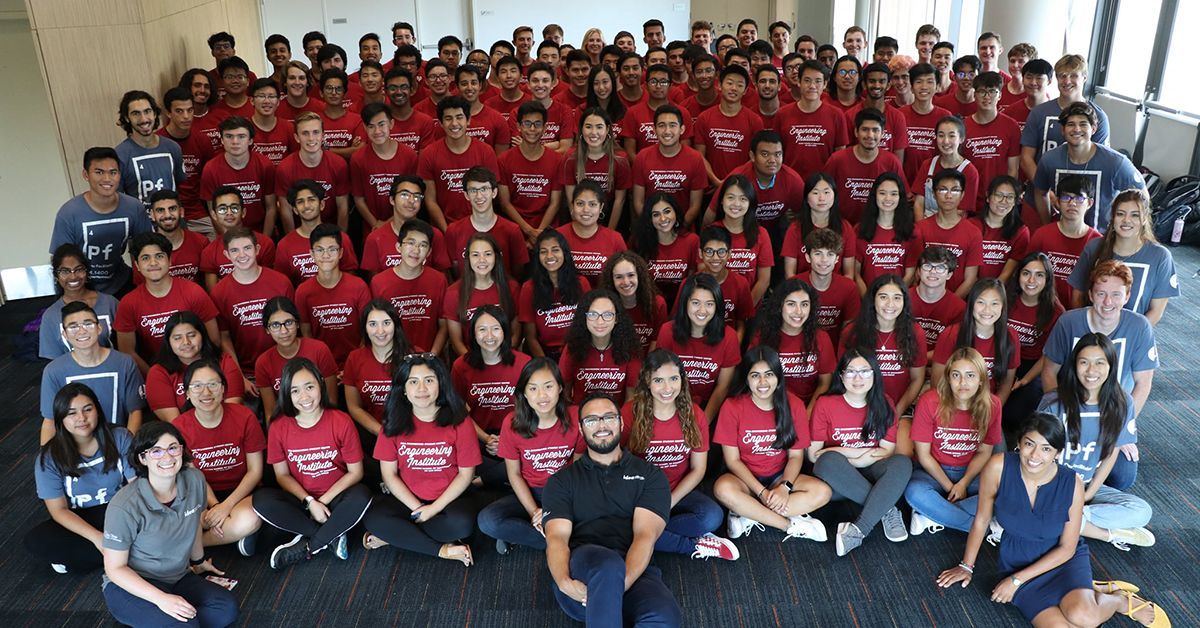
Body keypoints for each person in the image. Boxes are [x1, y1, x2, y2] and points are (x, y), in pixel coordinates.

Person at [936, 413, 1169, 627]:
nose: (1035, 456)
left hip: (1062, 559)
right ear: (1019, 443)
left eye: (1046, 449)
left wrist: (1016, 581)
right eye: (1029, 444)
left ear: (1057, 453)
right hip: (1018, 559)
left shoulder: (1072, 484)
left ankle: (1119, 601)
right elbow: (981, 519)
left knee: (1085, 618)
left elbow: (1067, 547)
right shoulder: (998, 466)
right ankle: (1091, 590)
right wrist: (966, 566)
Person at [543, 391, 681, 625]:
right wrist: (564, 582)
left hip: (635, 571)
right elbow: (556, 539)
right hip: (582, 572)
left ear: (621, 422)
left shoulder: (650, 476)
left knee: (664, 617)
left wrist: (616, 587)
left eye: (608, 417)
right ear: (581, 428)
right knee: (607, 565)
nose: (601, 426)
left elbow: (645, 537)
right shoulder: (561, 481)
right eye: (591, 420)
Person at [100, 421, 238, 626]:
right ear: (142, 458)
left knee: (226, 610)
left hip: (177, 576)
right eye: (156, 451)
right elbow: (115, 568)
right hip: (132, 584)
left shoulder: (194, 480)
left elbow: (192, 526)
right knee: (187, 624)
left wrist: (198, 562)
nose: (167, 457)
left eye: (173, 448)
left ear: (182, 451)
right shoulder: (123, 506)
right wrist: (160, 599)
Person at [1042, 261, 1158, 490]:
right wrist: (1061, 416)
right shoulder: (1069, 322)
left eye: (1116, 294)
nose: (1108, 302)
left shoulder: (1140, 327)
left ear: (1127, 296)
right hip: (1070, 407)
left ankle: (1089, 496)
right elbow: (1049, 371)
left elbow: (1143, 383)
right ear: (1091, 294)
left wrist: (1123, 426)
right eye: (1101, 293)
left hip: (1111, 413)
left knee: (1124, 475)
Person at [360, 354, 479, 566]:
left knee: (463, 524)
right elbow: (389, 475)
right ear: (403, 389)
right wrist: (417, 509)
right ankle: (442, 550)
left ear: (441, 385)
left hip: (449, 501)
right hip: (408, 500)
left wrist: (432, 510)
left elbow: (466, 474)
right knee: (372, 517)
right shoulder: (392, 423)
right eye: (413, 382)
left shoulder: (460, 421)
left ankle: (397, 537)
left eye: (429, 380)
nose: (422, 388)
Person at [1039, 333, 1155, 550]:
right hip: (1051, 486)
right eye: (1084, 362)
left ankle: (1067, 521)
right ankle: (1106, 534)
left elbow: (1112, 453)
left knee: (1142, 511)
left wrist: (1089, 493)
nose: (1091, 371)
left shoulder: (1123, 402)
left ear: (1111, 366)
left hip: (1087, 485)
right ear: (1074, 365)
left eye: (1099, 363)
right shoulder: (1054, 402)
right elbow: (1038, 454)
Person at [255, 358, 372, 569]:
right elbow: (282, 475)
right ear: (287, 395)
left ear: (320, 385)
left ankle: (308, 547)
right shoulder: (279, 426)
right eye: (295, 391)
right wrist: (310, 502)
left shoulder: (340, 420)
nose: (305, 397)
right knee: (262, 500)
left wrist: (322, 502)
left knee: (362, 495)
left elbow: (356, 472)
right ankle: (332, 536)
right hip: (301, 501)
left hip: (335, 499)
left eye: (309, 387)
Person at [624, 349, 738, 559]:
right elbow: (618, 464)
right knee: (617, 521)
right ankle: (692, 544)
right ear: (647, 381)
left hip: (677, 490)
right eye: (658, 380)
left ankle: (643, 535)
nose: (667, 388)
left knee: (712, 517)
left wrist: (669, 502)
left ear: (682, 380)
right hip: (640, 493)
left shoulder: (695, 414)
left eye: (673, 379)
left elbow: (698, 469)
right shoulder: (631, 412)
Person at [713, 346, 832, 541]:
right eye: (755, 375)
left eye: (768, 374)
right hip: (746, 480)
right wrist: (761, 492)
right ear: (746, 378)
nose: (762, 382)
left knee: (823, 493)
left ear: (778, 376)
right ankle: (788, 524)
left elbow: (795, 456)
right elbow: (733, 461)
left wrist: (784, 487)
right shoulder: (732, 406)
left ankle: (749, 514)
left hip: (779, 476)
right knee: (722, 489)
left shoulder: (794, 404)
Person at [809, 349, 912, 556]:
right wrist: (857, 456)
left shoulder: (885, 403)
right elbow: (814, 456)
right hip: (840, 479)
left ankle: (858, 530)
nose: (858, 378)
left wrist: (852, 456)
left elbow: (886, 451)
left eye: (865, 371)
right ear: (841, 376)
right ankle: (886, 508)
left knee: (902, 463)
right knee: (827, 461)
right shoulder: (825, 403)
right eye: (851, 372)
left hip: (873, 470)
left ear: (874, 374)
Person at [25, 384, 134, 574]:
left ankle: (103, 557)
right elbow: (58, 510)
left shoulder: (120, 437)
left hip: (120, 509)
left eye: (87, 409)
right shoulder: (49, 458)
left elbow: (137, 486)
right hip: (81, 517)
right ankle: (129, 553)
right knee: (37, 541)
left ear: (97, 410)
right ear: (61, 418)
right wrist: (98, 538)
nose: (81, 418)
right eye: (71, 413)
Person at [477, 358, 582, 552]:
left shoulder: (575, 417)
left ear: (560, 387)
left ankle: (523, 533)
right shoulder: (512, 423)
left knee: (595, 519)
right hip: (529, 490)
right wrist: (534, 511)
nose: (542, 395)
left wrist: (558, 507)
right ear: (524, 393)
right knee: (488, 521)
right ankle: (554, 538)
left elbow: (578, 470)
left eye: (548, 386)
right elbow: (514, 474)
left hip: (564, 492)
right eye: (533, 389)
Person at [905, 347, 1002, 536]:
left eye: (970, 375)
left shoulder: (993, 404)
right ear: (948, 378)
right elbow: (924, 455)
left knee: (1004, 491)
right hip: (933, 473)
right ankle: (982, 527)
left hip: (971, 473)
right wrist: (951, 487)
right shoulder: (930, 401)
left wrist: (963, 483)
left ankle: (931, 516)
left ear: (981, 379)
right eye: (956, 375)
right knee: (913, 491)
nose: (962, 382)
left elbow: (984, 452)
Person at [173, 359, 264, 551]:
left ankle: (196, 546)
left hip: (240, 492)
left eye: (213, 385)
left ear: (223, 389)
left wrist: (226, 506)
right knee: (175, 519)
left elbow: (255, 471)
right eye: (197, 386)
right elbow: (193, 475)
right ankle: (230, 537)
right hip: (199, 495)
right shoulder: (179, 427)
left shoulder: (245, 417)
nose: (206, 393)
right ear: (187, 393)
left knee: (250, 519)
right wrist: (214, 505)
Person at [50, 147, 154, 294]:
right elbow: (61, 262)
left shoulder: (134, 207)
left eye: (113, 172)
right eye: (99, 172)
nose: (107, 179)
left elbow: (147, 247)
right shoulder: (69, 213)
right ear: (86, 175)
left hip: (120, 281)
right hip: (82, 287)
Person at [40, 303, 145, 445]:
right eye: (73, 327)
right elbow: (50, 420)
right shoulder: (53, 371)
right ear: (64, 334)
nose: (81, 331)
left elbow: (135, 411)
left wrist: (126, 447)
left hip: (117, 443)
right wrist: (46, 461)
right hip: (75, 449)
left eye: (88, 324)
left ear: (99, 328)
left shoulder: (124, 363)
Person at [1068, 189, 1178, 323]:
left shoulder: (1160, 256)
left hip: (1134, 338)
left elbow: (1156, 311)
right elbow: (1077, 296)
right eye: (1120, 214)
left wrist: (1133, 336)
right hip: (1093, 336)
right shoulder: (1094, 247)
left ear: (1144, 219)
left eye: (1135, 215)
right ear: (1113, 217)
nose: (1127, 220)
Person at [115, 232, 219, 372]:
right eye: (145, 258)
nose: (153, 263)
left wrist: (195, 374)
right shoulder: (128, 303)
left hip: (197, 371)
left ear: (169, 261)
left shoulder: (194, 292)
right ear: (137, 266)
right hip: (155, 373)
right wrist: (155, 377)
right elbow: (128, 352)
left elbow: (214, 340)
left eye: (159, 256)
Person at [1032, 102, 1145, 231]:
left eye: (1083, 124)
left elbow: (1142, 197)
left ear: (1094, 128)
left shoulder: (1116, 162)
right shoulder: (1049, 160)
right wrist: (1047, 227)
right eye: (1070, 124)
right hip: (1064, 235)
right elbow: (1040, 193)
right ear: (1062, 130)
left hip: (1103, 240)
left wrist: (1124, 232)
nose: (1077, 129)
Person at [451, 305, 531, 486]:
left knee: (530, 457)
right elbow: (459, 411)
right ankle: (502, 479)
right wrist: (486, 438)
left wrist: (507, 440)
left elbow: (531, 409)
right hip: (480, 437)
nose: (489, 336)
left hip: (517, 435)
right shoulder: (461, 366)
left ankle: (484, 480)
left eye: (496, 329)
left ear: (505, 331)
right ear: (473, 334)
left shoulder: (523, 363)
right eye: (482, 329)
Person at [841, 275, 928, 431]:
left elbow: (917, 379)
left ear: (904, 302)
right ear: (873, 299)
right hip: (859, 406)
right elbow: (843, 377)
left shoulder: (915, 333)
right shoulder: (852, 332)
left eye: (897, 298)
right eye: (883, 297)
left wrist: (896, 413)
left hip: (899, 407)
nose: (890, 304)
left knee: (904, 452)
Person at [210, 226, 295, 379]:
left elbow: (295, 327)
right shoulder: (219, 292)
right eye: (235, 250)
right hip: (247, 373)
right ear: (227, 255)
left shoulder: (281, 282)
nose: (242, 255)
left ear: (257, 249)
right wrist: (239, 376)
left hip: (285, 367)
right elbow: (224, 337)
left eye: (247, 248)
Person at [655, 274, 739, 419]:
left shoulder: (729, 337)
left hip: (709, 408)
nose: (702, 310)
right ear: (685, 303)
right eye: (695, 303)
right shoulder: (667, 331)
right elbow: (661, 378)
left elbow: (722, 387)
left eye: (709, 304)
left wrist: (702, 423)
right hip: (671, 403)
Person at [1002, 252, 1065, 443]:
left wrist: (1025, 380)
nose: (1031, 280)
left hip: (1034, 366)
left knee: (1014, 414)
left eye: (1039, 275)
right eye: (1026, 273)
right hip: (1004, 360)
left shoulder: (1056, 311)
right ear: (1018, 275)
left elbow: (1048, 355)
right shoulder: (1005, 300)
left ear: (1047, 279)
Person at [1019, 54, 1111, 181]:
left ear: (1084, 77)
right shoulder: (1039, 113)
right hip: (1040, 192)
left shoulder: (1098, 117)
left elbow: (1100, 161)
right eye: (1062, 75)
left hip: (1078, 196)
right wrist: (1043, 188)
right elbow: (1026, 158)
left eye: (1073, 75)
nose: (1067, 81)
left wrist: (1076, 196)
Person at [417, 96, 501, 230]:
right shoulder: (428, 154)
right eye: (448, 118)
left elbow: (492, 195)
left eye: (459, 117)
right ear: (441, 123)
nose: (454, 123)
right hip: (444, 228)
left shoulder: (486, 151)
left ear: (468, 120)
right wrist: (447, 231)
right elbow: (430, 200)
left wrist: (480, 228)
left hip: (481, 228)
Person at [931, 278, 1020, 404]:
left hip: (988, 406)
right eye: (981, 302)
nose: (987, 310)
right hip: (952, 404)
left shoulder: (1010, 336)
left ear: (1003, 306)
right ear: (971, 304)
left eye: (994, 303)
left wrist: (992, 411)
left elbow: (1006, 383)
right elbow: (937, 383)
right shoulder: (950, 334)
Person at [295, 224, 371, 368]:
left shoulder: (359, 286)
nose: (326, 255)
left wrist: (353, 365)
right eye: (320, 250)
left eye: (332, 249)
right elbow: (306, 334)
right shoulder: (303, 292)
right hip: (321, 366)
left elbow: (367, 332)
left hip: (357, 364)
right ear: (311, 254)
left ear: (341, 252)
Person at [145, 312, 245, 421]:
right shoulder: (158, 372)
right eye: (177, 338)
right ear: (168, 342)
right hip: (183, 435)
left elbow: (232, 410)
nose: (186, 342)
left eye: (192, 335)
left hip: (226, 427)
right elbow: (174, 422)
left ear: (202, 335)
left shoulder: (224, 362)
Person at [752, 278, 835, 407]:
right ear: (780, 306)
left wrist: (807, 415)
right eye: (791, 304)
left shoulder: (821, 338)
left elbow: (825, 383)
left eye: (804, 304)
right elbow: (754, 380)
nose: (799, 311)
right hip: (772, 407)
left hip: (809, 408)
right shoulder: (762, 337)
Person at [370, 219, 448, 354]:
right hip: (393, 357)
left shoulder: (439, 280)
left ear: (429, 252)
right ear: (398, 246)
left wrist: (432, 355)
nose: (416, 250)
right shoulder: (379, 282)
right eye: (410, 243)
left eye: (423, 245)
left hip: (430, 357)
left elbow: (444, 325)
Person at [254, 297, 338, 418]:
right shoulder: (263, 363)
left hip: (322, 419)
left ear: (298, 323)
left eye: (289, 322)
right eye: (275, 325)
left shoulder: (319, 350)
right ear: (267, 329)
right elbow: (271, 412)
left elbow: (331, 401)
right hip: (288, 426)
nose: (284, 331)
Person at [342, 299, 411, 447]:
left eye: (386, 323)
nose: (380, 331)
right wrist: (381, 432)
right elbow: (354, 406)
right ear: (365, 328)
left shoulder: (414, 357)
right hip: (372, 435)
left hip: (410, 434)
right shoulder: (355, 358)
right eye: (373, 324)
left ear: (396, 325)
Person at [1027, 174, 1103, 307]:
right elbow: (1026, 273)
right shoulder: (1042, 235)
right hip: (1042, 308)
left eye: (1079, 198)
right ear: (1057, 201)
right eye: (1066, 197)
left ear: (1090, 203)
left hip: (1079, 312)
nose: (1072, 203)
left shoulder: (1097, 242)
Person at [441, 234, 521, 356]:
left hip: (505, 357)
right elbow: (456, 341)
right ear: (468, 258)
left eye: (488, 254)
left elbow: (516, 333)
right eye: (475, 255)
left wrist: (500, 359)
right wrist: (474, 363)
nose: (482, 260)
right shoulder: (453, 293)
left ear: (496, 256)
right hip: (470, 360)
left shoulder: (511, 288)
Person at [559, 289, 642, 406]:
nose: (600, 321)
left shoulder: (630, 349)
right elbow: (565, 394)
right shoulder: (572, 348)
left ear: (616, 319)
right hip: (581, 417)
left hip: (616, 418)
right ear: (585, 318)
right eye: (593, 314)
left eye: (607, 315)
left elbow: (631, 398)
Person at [444, 166, 529, 278]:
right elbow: (456, 271)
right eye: (473, 190)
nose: (479, 196)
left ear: (494, 192)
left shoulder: (512, 230)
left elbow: (518, 273)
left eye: (484, 189)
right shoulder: (453, 231)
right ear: (466, 195)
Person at [910, 169, 983, 298]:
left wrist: (948, 304)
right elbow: (915, 273)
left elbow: (970, 279)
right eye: (942, 190)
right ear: (933, 193)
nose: (948, 196)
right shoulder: (920, 228)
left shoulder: (973, 233)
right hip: (922, 300)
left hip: (955, 303)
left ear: (962, 195)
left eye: (955, 190)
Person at [498, 101, 565, 243]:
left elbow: (555, 203)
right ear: (519, 127)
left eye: (538, 124)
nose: (532, 129)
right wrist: (529, 231)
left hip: (547, 231)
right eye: (527, 124)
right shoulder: (504, 160)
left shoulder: (557, 160)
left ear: (545, 127)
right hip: (515, 230)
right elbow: (505, 203)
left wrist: (539, 233)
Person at [199, 116, 277, 235]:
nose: (235, 142)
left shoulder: (265, 165)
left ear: (250, 140)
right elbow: (212, 211)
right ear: (222, 140)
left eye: (241, 136)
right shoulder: (210, 169)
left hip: (260, 231)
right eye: (229, 136)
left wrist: (265, 240)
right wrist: (228, 240)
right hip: (228, 234)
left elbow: (271, 208)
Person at [822, 108, 903, 223]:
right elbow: (823, 193)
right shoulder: (837, 160)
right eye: (865, 129)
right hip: (841, 226)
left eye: (875, 130)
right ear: (856, 132)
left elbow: (901, 200)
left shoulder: (892, 162)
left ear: (882, 133)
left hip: (877, 227)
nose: (870, 135)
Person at [773, 61, 849, 183]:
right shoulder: (782, 114)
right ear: (799, 82)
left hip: (824, 184)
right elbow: (776, 150)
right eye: (807, 80)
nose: (812, 86)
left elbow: (840, 153)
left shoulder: (836, 115)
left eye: (818, 81)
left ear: (825, 84)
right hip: (790, 182)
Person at [632, 104, 708, 226]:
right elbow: (638, 202)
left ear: (682, 129)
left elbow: (695, 206)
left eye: (672, 125)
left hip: (683, 229)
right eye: (662, 126)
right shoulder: (642, 157)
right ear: (654, 129)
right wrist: (654, 227)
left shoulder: (695, 159)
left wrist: (677, 228)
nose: (667, 131)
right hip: (650, 228)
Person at [360, 175, 450, 276]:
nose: (411, 201)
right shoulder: (375, 238)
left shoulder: (434, 235)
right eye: (404, 195)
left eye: (417, 196)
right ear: (392, 200)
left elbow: (442, 278)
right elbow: (374, 283)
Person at [40, 245, 119, 360]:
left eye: (79, 270)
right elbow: (53, 363)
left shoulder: (110, 303)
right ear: (56, 276)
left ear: (87, 272)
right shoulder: (50, 316)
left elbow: (126, 348)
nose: (73, 276)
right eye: (65, 271)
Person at [520, 229, 590, 360]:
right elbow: (530, 337)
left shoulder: (582, 283)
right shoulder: (529, 288)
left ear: (565, 253)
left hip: (577, 354)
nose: (549, 256)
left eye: (555, 250)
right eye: (543, 252)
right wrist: (547, 366)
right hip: (544, 356)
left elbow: (588, 326)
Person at [274, 112, 350, 232]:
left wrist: (340, 239)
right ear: (297, 137)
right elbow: (286, 212)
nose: (311, 138)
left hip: (330, 229)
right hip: (300, 229)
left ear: (323, 135)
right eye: (305, 133)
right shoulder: (285, 168)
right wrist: (293, 241)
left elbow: (343, 208)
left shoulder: (338, 164)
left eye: (316, 132)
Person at [350, 103, 419, 232]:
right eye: (371, 126)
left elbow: (414, 196)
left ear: (391, 124)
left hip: (406, 226)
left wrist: (389, 223)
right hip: (372, 228)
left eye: (382, 124)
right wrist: (375, 224)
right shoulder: (358, 159)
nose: (377, 131)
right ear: (365, 128)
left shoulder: (409, 155)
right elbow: (359, 199)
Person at [158, 86, 217, 237]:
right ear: (168, 113)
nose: (186, 116)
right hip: (166, 212)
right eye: (179, 111)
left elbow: (210, 179)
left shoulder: (202, 140)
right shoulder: (157, 141)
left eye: (190, 110)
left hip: (197, 211)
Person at [115, 90, 185, 210]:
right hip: (142, 225)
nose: (143, 119)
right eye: (136, 113)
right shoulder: (120, 155)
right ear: (127, 118)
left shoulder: (173, 148)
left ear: (154, 114)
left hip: (174, 222)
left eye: (147, 111)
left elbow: (179, 185)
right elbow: (117, 198)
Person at [562, 109, 632, 228]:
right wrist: (581, 228)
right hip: (580, 215)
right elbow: (571, 201)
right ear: (581, 129)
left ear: (607, 129)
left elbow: (620, 201)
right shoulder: (571, 158)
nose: (594, 132)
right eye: (588, 127)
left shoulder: (620, 159)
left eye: (599, 127)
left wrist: (609, 233)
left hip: (611, 217)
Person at [694, 65, 764, 182]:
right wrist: (716, 181)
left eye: (740, 85)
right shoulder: (704, 118)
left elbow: (756, 157)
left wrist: (736, 181)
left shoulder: (755, 120)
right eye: (729, 83)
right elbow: (700, 156)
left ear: (745, 91)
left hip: (743, 185)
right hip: (711, 186)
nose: (734, 88)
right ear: (720, 86)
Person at [710, 175, 774, 303]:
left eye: (743, 199)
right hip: (715, 305)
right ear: (721, 200)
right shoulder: (711, 232)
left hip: (751, 305)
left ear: (750, 202)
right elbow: (704, 273)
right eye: (730, 197)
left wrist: (745, 307)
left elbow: (764, 280)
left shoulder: (761, 234)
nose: (736, 204)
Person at [199, 186, 277, 290]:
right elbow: (214, 293)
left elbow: (270, 283)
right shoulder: (209, 252)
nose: (229, 213)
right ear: (214, 214)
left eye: (234, 208)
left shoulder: (265, 243)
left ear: (243, 212)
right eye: (222, 209)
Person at [781, 171, 856, 279]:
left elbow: (849, 274)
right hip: (803, 290)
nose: (821, 198)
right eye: (815, 193)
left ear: (835, 196)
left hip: (836, 288)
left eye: (826, 192)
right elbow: (790, 274)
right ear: (806, 198)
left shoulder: (845, 228)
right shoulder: (795, 228)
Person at [599, 251, 670, 354]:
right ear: (611, 280)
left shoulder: (658, 304)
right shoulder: (604, 306)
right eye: (619, 277)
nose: (626, 282)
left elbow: (657, 341)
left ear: (639, 276)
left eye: (631, 275)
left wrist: (646, 368)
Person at [556, 179, 628, 279]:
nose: (586, 210)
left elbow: (624, 275)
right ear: (572, 205)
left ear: (601, 207)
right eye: (580, 204)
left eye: (592, 204)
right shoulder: (558, 236)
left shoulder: (615, 238)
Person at [855, 173, 916, 290]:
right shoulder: (860, 230)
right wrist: (869, 299)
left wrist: (894, 297)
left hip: (899, 300)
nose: (888, 198)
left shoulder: (912, 231)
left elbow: (910, 275)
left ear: (900, 197)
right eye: (882, 193)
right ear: (875, 196)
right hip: (868, 299)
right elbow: (856, 274)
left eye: (894, 194)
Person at [692, 227, 754, 340]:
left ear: (729, 253)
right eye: (709, 251)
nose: (715, 258)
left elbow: (741, 323)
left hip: (728, 342)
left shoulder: (740, 283)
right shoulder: (690, 283)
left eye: (721, 252)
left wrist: (734, 347)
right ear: (701, 253)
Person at [911, 116, 979, 218]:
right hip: (925, 225)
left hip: (953, 227)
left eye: (951, 136)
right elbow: (919, 204)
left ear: (961, 139)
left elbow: (962, 212)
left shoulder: (970, 171)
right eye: (941, 135)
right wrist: (922, 229)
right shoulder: (927, 165)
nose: (946, 141)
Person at [908, 246, 967, 358]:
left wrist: (921, 361)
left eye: (940, 268)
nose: (933, 272)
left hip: (940, 366)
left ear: (949, 274)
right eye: (927, 266)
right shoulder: (902, 300)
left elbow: (954, 349)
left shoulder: (960, 308)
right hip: (903, 364)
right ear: (919, 271)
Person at [898, 63, 953, 181]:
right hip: (904, 185)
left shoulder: (945, 116)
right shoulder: (899, 115)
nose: (924, 86)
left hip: (936, 186)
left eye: (929, 81)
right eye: (918, 82)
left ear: (937, 86)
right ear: (911, 87)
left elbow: (948, 156)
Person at [844, 63, 909, 162]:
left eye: (882, 81)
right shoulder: (850, 115)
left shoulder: (898, 117)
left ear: (888, 85)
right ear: (864, 85)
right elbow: (846, 154)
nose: (877, 85)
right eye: (872, 81)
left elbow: (898, 160)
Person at [141, 191, 208, 285]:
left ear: (181, 212)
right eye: (160, 210)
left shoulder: (201, 242)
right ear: (152, 215)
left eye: (172, 209)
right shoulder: (144, 250)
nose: (167, 215)